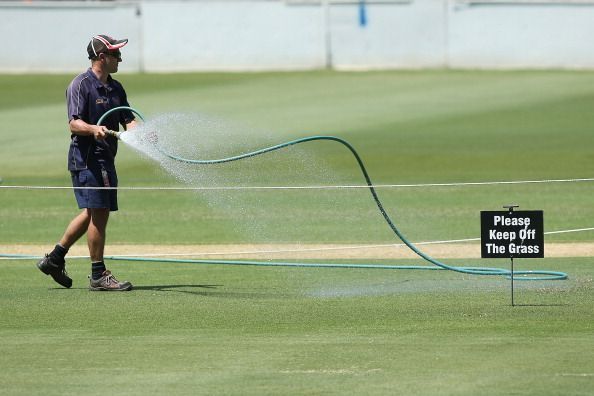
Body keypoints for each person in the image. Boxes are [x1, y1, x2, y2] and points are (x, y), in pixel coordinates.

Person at [37, 34, 138, 291]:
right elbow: (73, 122)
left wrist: (142, 132)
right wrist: (94, 129)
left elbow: (128, 118)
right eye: (116, 55)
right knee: (99, 212)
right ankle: (98, 274)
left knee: (91, 212)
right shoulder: (80, 85)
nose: (120, 59)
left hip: (105, 158)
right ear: (102, 57)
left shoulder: (116, 88)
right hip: (87, 159)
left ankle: (55, 259)